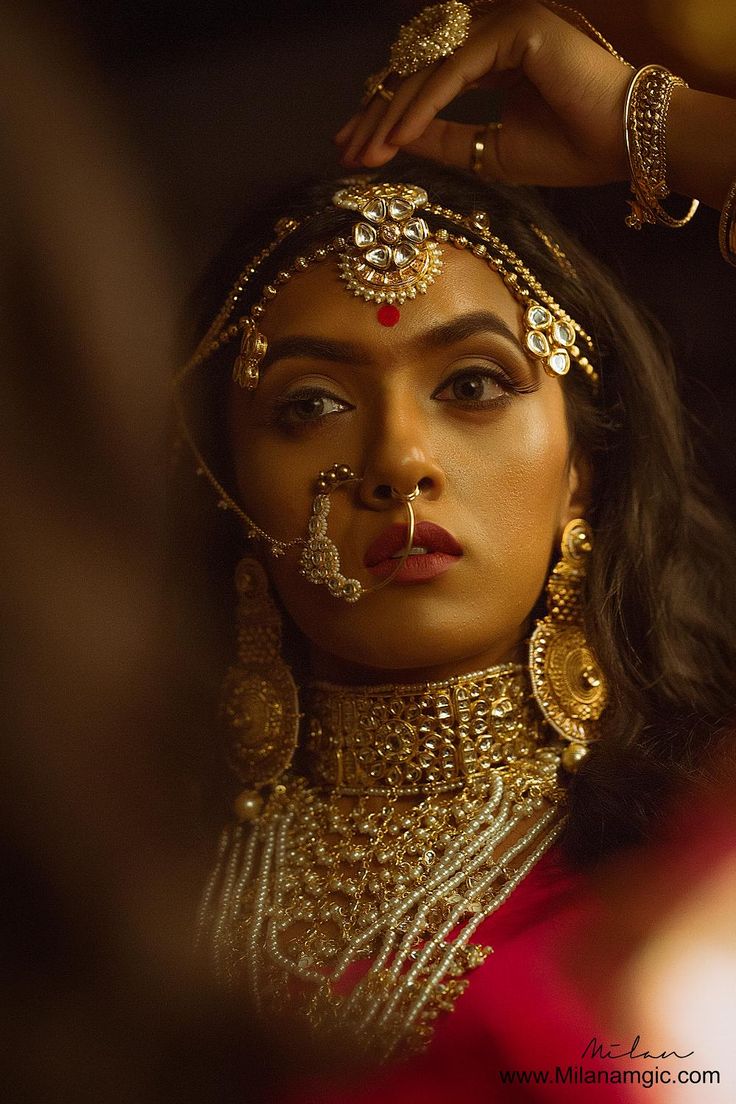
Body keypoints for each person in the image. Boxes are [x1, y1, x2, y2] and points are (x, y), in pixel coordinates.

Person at [174, 2, 736, 1098]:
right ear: (226, 484)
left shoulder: (685, 873)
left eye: (473, 385)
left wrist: (652, 125)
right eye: (310, 404)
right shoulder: (112, 886)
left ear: (583, 462)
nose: (398, 461)